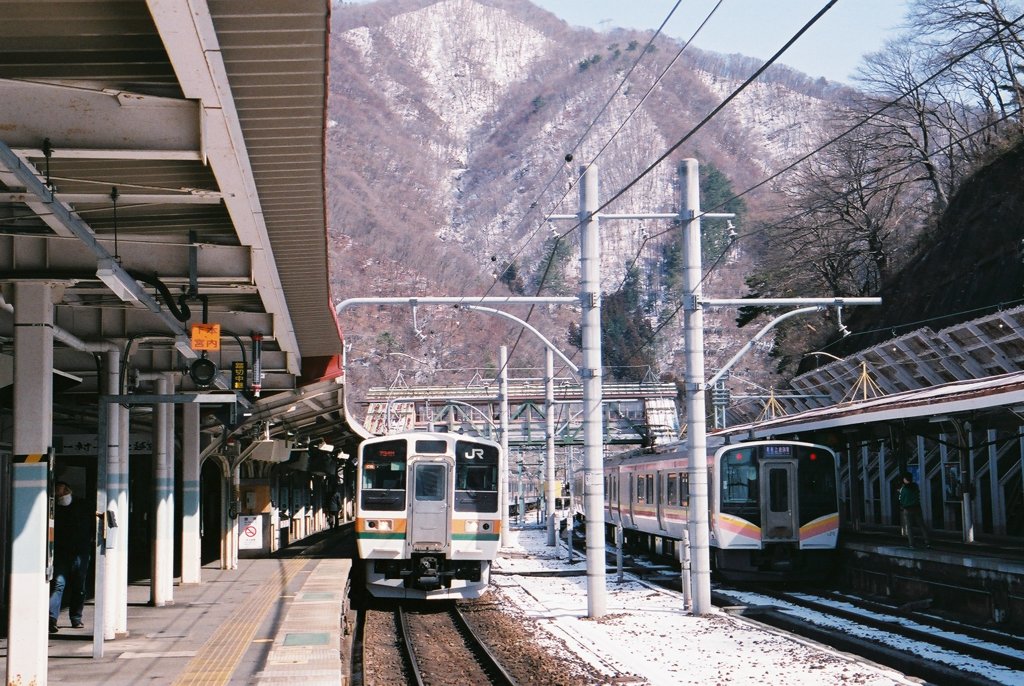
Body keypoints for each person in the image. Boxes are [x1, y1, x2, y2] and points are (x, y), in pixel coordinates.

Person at [48, 481, 96, 633]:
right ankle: (52, 618)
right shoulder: (54, 508)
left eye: (60, 490)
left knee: (78, 586)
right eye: (56, 491)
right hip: (65, 552)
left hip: (79, 551)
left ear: (67, 489)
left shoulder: (83, 505)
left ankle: (76, 617)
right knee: (59, 584)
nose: (58, 493)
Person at [898, 471, 930, 549]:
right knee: (921, 525)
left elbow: (901, 499)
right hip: (917, 508)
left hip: (907, 509)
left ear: (904, 479)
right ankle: (927, 542)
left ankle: (912, 544)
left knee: (909, 527)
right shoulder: (915, 486)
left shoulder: (903, 489)